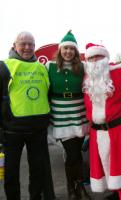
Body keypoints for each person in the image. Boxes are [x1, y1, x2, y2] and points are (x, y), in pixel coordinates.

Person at [83, 43, 121, 200]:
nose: (95, 60)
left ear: (106, 57)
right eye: (91, 58)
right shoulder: (87, 78)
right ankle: (117, 193)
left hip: (120, 130)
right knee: (107, 166)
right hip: (97, 132)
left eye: (98, 56)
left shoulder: (120, 73)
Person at [0, 31, 52, 200]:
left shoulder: (41, 67)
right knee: (11, 173)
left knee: (37, 172)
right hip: (12, 131)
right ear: (14, 45)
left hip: (38, 130)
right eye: (23, 44)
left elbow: (48, 93)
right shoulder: (4, 66)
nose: (27, 47)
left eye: (31, 44)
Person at [45, 30, 90, 200]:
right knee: (72, 153)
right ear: (60, 50)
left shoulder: (83, 67)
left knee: (76, 152)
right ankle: (74, 189)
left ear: (76, 51)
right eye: (65, 49)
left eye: (72, 49)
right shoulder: (49, 66)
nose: (68, 52)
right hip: (60, 116)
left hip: (79, 115)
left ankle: (77, 189)